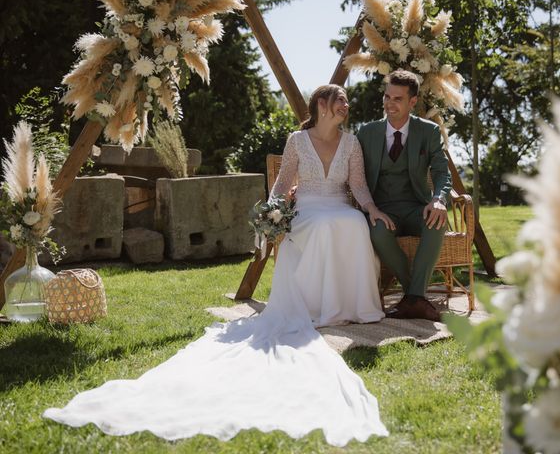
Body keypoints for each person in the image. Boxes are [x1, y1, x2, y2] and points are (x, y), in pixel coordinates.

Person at [43, 85, 390, 447]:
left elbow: (359, 187)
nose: (346, 106)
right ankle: (319, 307)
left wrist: (373, 210)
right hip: (308, 209)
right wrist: (273, 214)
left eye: (347, 102)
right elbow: (283, 184)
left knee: (352, 224)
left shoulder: (350, 142)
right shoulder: (297, 140)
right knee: (321, 227)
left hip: (339, 205)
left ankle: (352, 306)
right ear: (321, 105)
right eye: (340, 101)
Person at [357, 70, 452, 322]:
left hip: (416, 207)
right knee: (377, 230)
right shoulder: (366, 133)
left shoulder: (429, 131)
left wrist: (439, 199)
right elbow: (352, 173)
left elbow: (442, 172)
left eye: (397, 98)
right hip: (382, 209)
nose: (390, 103)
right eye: (387, 97)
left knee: (437, 220)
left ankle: (411, 298)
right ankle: (417, 299)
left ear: (412, 102)